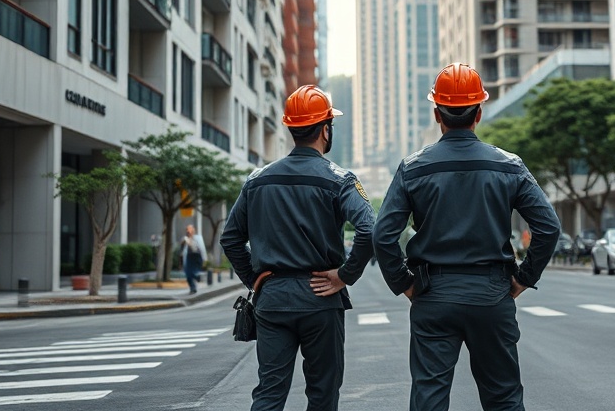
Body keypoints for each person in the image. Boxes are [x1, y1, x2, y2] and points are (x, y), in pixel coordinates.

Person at [373, 62, 561, 411]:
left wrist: (405, 284)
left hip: (432, 295)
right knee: (503, 398)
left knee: (429, 398)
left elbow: (383, 236)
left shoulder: (413, 168)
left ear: (436, 114)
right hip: (492, 295)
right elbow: (549, 227)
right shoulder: (510, 165)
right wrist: (523, 279)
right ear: (479, 112)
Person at [221, 85, 374, 411]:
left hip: (273, 299)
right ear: (325, 129)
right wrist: (345, 275)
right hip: (321, 298)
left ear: (291, 129)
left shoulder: (257, 180)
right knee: (322, 395)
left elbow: (230, 238)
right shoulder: (339, 179)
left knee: (269, 394)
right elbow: (370, 229)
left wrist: (256, 279)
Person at [181, 224, 208, 294]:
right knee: (188, 274)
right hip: (189, 257)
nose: (188, 231)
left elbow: (202, 248)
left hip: (196, 257)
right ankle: (193, 288)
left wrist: (204, 259)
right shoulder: (185, 239)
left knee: (194, 273)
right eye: (187, 229)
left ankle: (198, 277)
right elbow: (183, 250)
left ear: (193, 230)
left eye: (189, 229)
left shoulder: (198, 238)